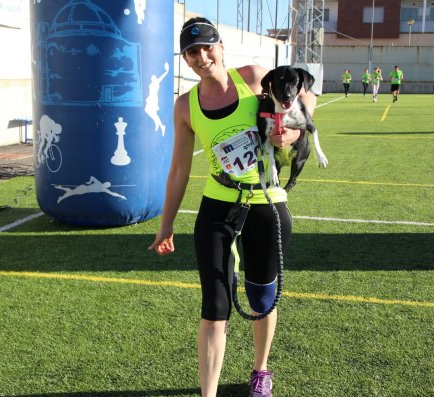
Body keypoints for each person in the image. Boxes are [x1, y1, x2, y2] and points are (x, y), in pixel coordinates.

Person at [148, 17, 316, 397]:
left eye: (207, 47)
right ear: (186, 59)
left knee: (262, 295)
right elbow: (178, 168)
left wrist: (292, 131)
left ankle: (260, 370)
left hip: (266, 204)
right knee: (215, 304)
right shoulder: (185, 106)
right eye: (192, 52)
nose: (201, 56)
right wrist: (166, 223)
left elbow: (307, 97)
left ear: (221, 47)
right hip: (217, 208)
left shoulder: (256, 78)